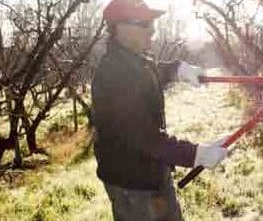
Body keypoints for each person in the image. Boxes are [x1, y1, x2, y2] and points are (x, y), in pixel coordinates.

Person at [91, 0, 230, 220]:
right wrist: (196, 154)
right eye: (146, 24)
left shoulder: (133, 61)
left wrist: (177, 69)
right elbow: (143, 138)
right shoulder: (113, 75)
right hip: (133, 187)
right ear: (122, 27)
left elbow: (146, 74)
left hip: (152, 172)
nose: (153, 30)